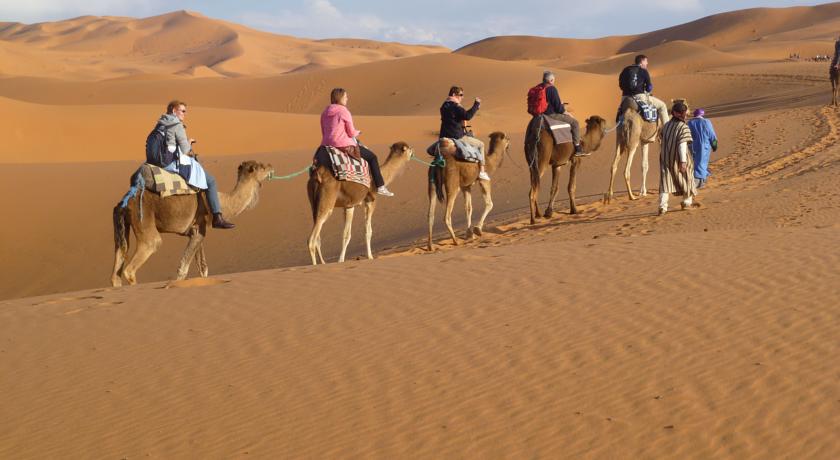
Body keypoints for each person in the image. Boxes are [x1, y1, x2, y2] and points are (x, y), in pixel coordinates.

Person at [156, 100, 235, 229]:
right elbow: (185, 150)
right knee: (210, 181)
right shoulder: (176, 124)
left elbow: (169, 145)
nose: (184, 114)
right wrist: (188, 142)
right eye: (182, 111)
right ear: (174, 111)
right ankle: (216, 217)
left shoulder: (161, 122)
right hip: (171, 163)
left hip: (161, 160)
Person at [320, 88, 393, 196]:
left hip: (326, 144)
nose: (347, 99)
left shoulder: (325, 112)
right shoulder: (343, 111)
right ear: (340, 98)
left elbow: (323, 130)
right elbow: (351, 132)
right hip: (343, 144)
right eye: (345, 97)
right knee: (372, 157)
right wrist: (357, 132)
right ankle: (380, 186)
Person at [439, 86, 490, 181]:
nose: (462, 97)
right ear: (454, 94)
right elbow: (467, 116)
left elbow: (455, 119)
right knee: (481, 144)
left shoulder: (443, 106)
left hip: (444, 135)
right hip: (456, 136)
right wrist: (476, 105)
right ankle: (482, 171)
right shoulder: (455, 106)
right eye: (461, 95)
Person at [658, 102, 697, 215]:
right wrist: (683, 162)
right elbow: (682, 144)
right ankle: (686, 202)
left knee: (665, 182)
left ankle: (662, 207)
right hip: (678, 159)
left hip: (665, 159)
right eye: (682, 112)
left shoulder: (666, 126)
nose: (684, 114)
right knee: (687, 178)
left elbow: (661, 138)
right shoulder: (683, 127)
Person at [540, 71, 587, 156]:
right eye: (553, 80)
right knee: (575, 123)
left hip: (541, 114)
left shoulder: (540, 87)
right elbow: (558, 108)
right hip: (551, 114)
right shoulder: (552, 89)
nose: (554, 81)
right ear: (550, 80)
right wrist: (566, 113)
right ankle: (577, 148)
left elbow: (547, 101)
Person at [618, 54, 670, 124]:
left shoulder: (625, 70)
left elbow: (621, 85)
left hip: (625, 98)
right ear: (642, 62)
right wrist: (648, 88)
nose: (647, 63)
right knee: (662, 106)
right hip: (639, 97)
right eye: (646, 61)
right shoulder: (643, 71)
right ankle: (667, 130)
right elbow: (649, 88)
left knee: (620, 114)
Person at [687, 108, 718, 189]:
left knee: (694, 163)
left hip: (691, 146)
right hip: (704, 146)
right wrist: (714, 145)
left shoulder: (689, 123)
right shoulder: (706, 122)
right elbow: (712, 135)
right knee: (702, 163)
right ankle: (699, 183)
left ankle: (698, 181)